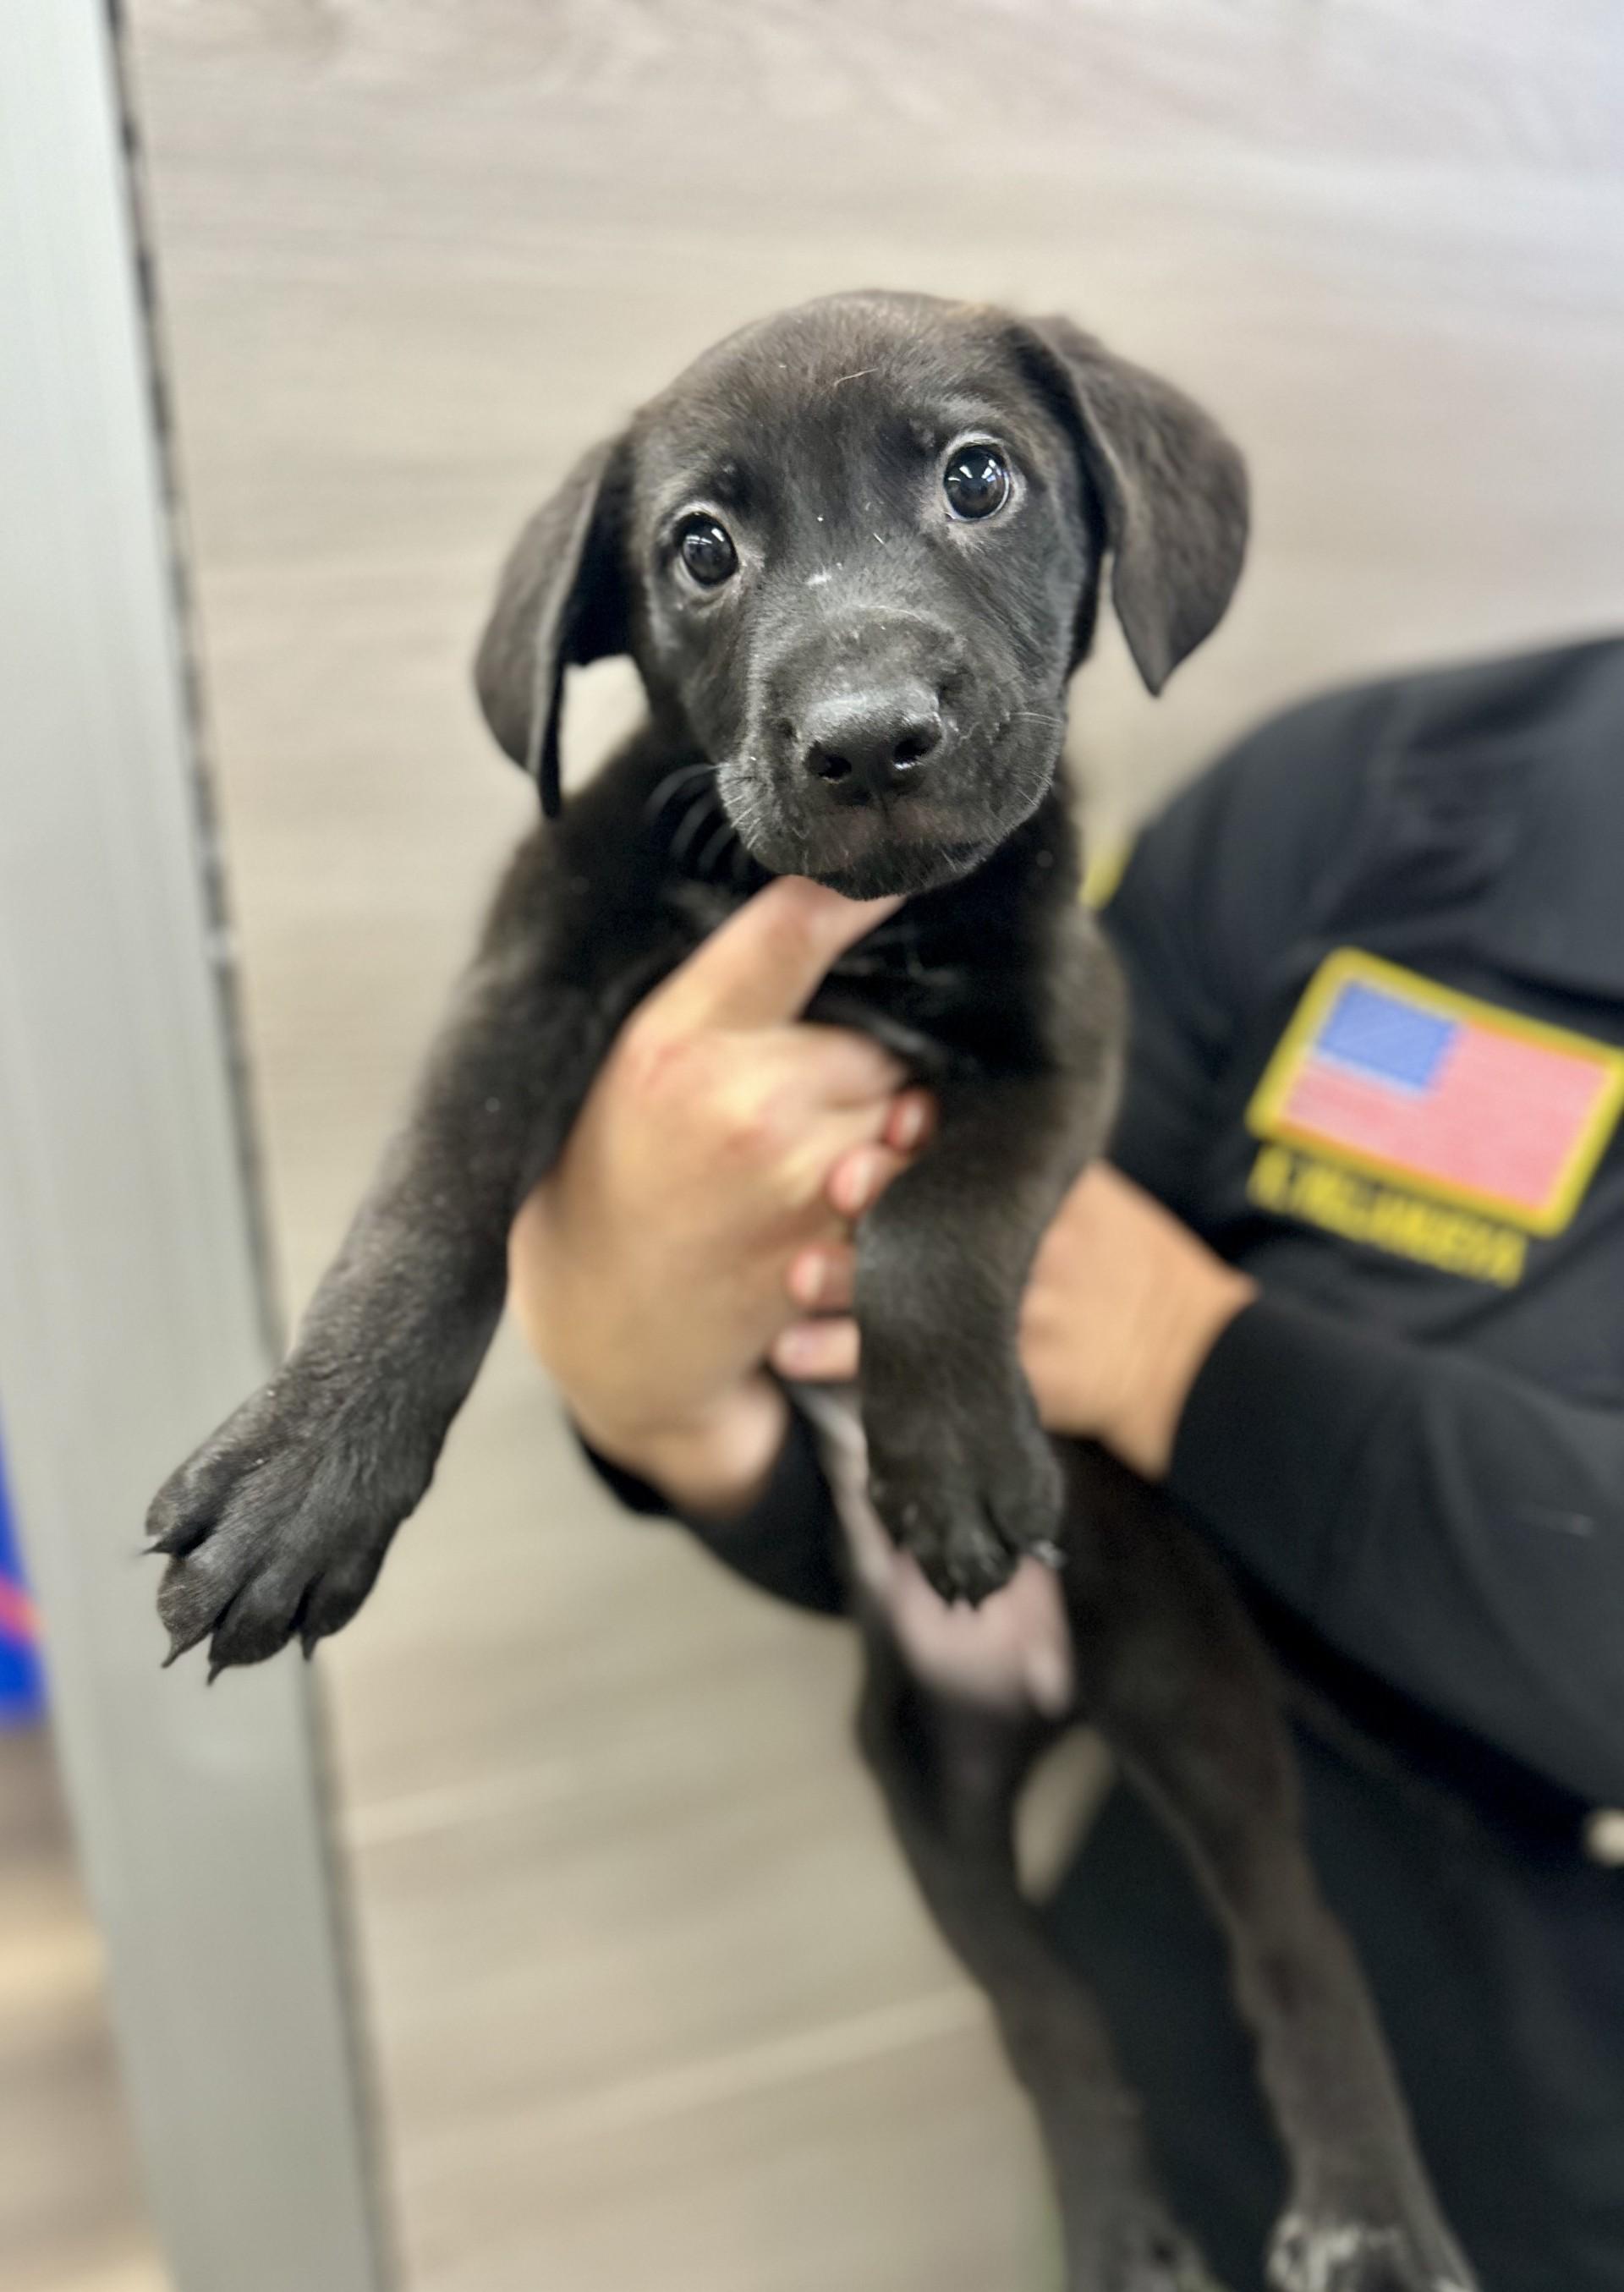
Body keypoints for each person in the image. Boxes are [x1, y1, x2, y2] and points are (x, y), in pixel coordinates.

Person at [508, 636, 1624, 2292]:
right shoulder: (1359, 809)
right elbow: (964, 1473)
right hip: (1231, 2122)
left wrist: (1189, 1355)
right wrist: (665, 1396)